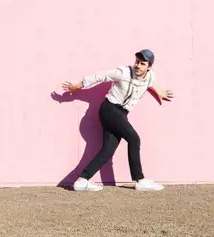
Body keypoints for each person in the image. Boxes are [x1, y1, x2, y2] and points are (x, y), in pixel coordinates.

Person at [62, 49, 174, 192]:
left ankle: (82, 180)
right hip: (110, 109)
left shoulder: (150, 76)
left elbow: (149, 82)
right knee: (134, 139)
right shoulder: (124, 72)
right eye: (137, 62)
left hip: (121, 114)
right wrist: (78, 85)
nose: (138, 66)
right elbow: (100, 76)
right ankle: (140, 180)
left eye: (142, 64)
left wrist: (159, 92)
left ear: (149, 67)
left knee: (108, 151)